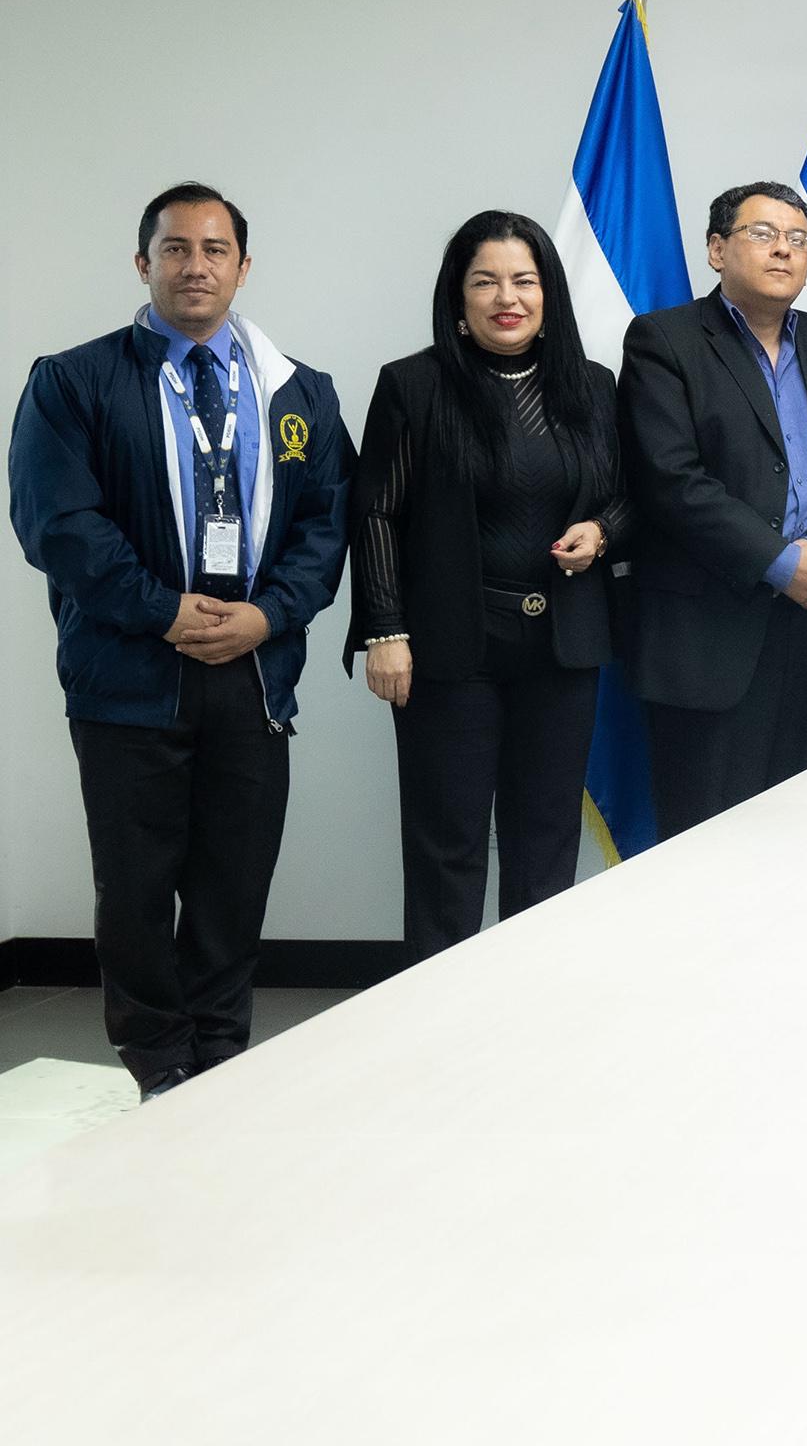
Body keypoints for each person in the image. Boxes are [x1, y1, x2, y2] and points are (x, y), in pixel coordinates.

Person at [8, 184, 351, 1099]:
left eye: (214, 249)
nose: (194, 265)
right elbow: (59, 525)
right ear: (142, 263)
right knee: (135, 882)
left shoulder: (298, 392)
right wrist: (160, 608)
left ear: (243, 266)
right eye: (174, 249)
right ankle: (157, 1057)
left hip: (253, 674)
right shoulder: (72, 381)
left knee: (234, 877)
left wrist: (269, 616)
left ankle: (220, 1051)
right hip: (129, 676)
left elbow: (327, 525)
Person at [348, 214, 628, 964]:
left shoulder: (593, 388)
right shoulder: (414, 385)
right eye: (486, 281)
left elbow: (632, 497)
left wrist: (601, 532)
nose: (507, 297)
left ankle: (529, 1010)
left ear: (548, 293)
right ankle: (435, 1020)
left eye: (524, 281)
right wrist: (385, 631)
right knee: (450, 845)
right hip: (450, 649)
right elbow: (376, 510)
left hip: (561, 647)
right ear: (458, 295)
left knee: (545, 841)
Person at [619, 182, 807, 835]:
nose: (783, 250)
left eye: (798, 239)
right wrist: (778, 560)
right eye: (763, 234)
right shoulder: (663, 342)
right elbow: (670, 479)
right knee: (707, 839)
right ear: (717, 249)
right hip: (712, 626)